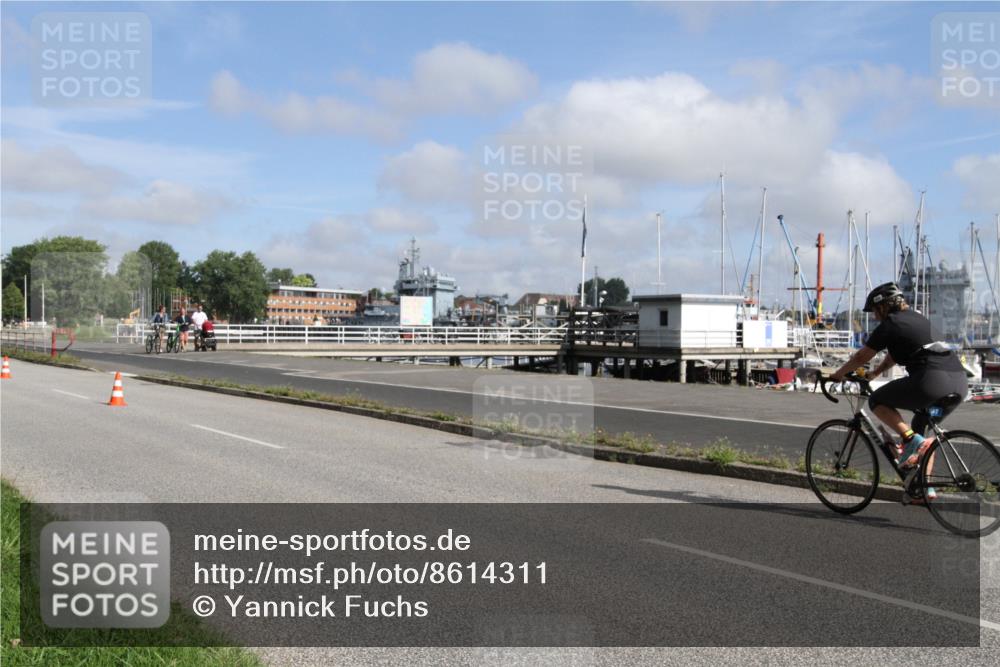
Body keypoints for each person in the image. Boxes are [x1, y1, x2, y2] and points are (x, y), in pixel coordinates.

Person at [831, 283, 968, 478]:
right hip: (959, 383)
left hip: (932, 382)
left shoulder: (891, 324)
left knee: (877, 400)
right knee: (922, 429)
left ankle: (911, 440)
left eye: (875, 311)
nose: (874, 316)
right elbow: (893, 356)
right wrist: (874, 373)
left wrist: (837, 375)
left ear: (884, 306)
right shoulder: (918, 318)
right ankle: (924, 486)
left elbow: (862, 356)